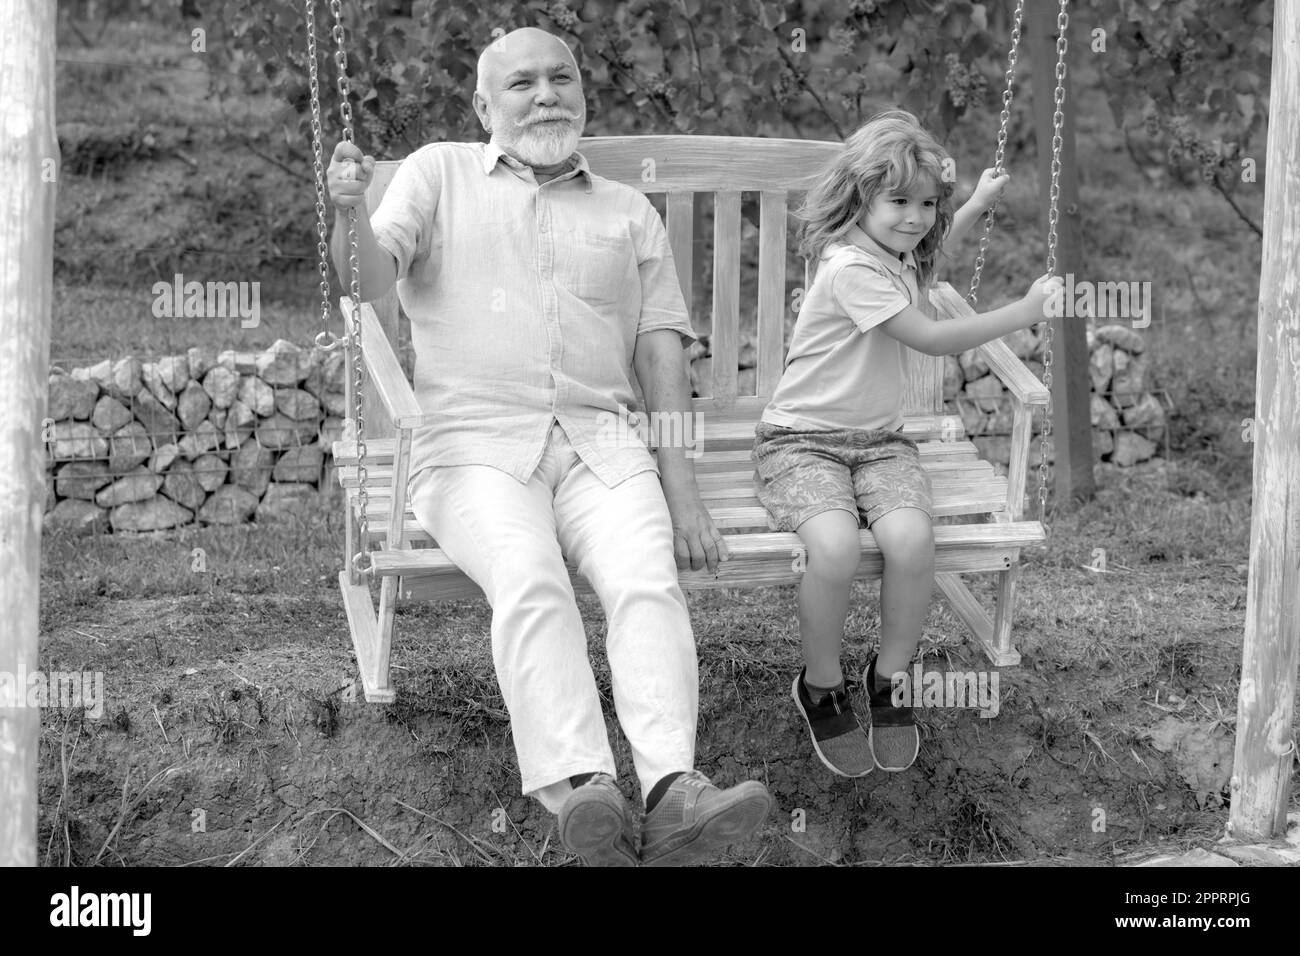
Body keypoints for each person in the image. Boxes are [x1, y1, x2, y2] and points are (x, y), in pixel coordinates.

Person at [325, 26, 772, 866]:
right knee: (530, 579)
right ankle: (582, 793)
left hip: (604, 446)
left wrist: (683, 493)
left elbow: (661, 351)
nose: (545, 95)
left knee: (646, 580)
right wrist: (345, 213)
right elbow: (364, 283)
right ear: (484, 106)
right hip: (472, 450)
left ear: (583, 95)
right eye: (522, 83)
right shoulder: (438, 174)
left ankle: (675, 793)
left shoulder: (625, 211)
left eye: (560, 78)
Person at [752, 109, 1063, 778]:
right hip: (802, 444)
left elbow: (934, 252)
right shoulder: (849, 269)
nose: (917, 217)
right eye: (899, 201)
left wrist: (975, 202)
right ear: (859, 196)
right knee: (833, 548)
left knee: (912, 542)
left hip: (883, 443)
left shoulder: (894, 254)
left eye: (927, 203)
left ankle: (891, 677)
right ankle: (822, 683)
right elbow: (931, 337)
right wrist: (1026, 310)